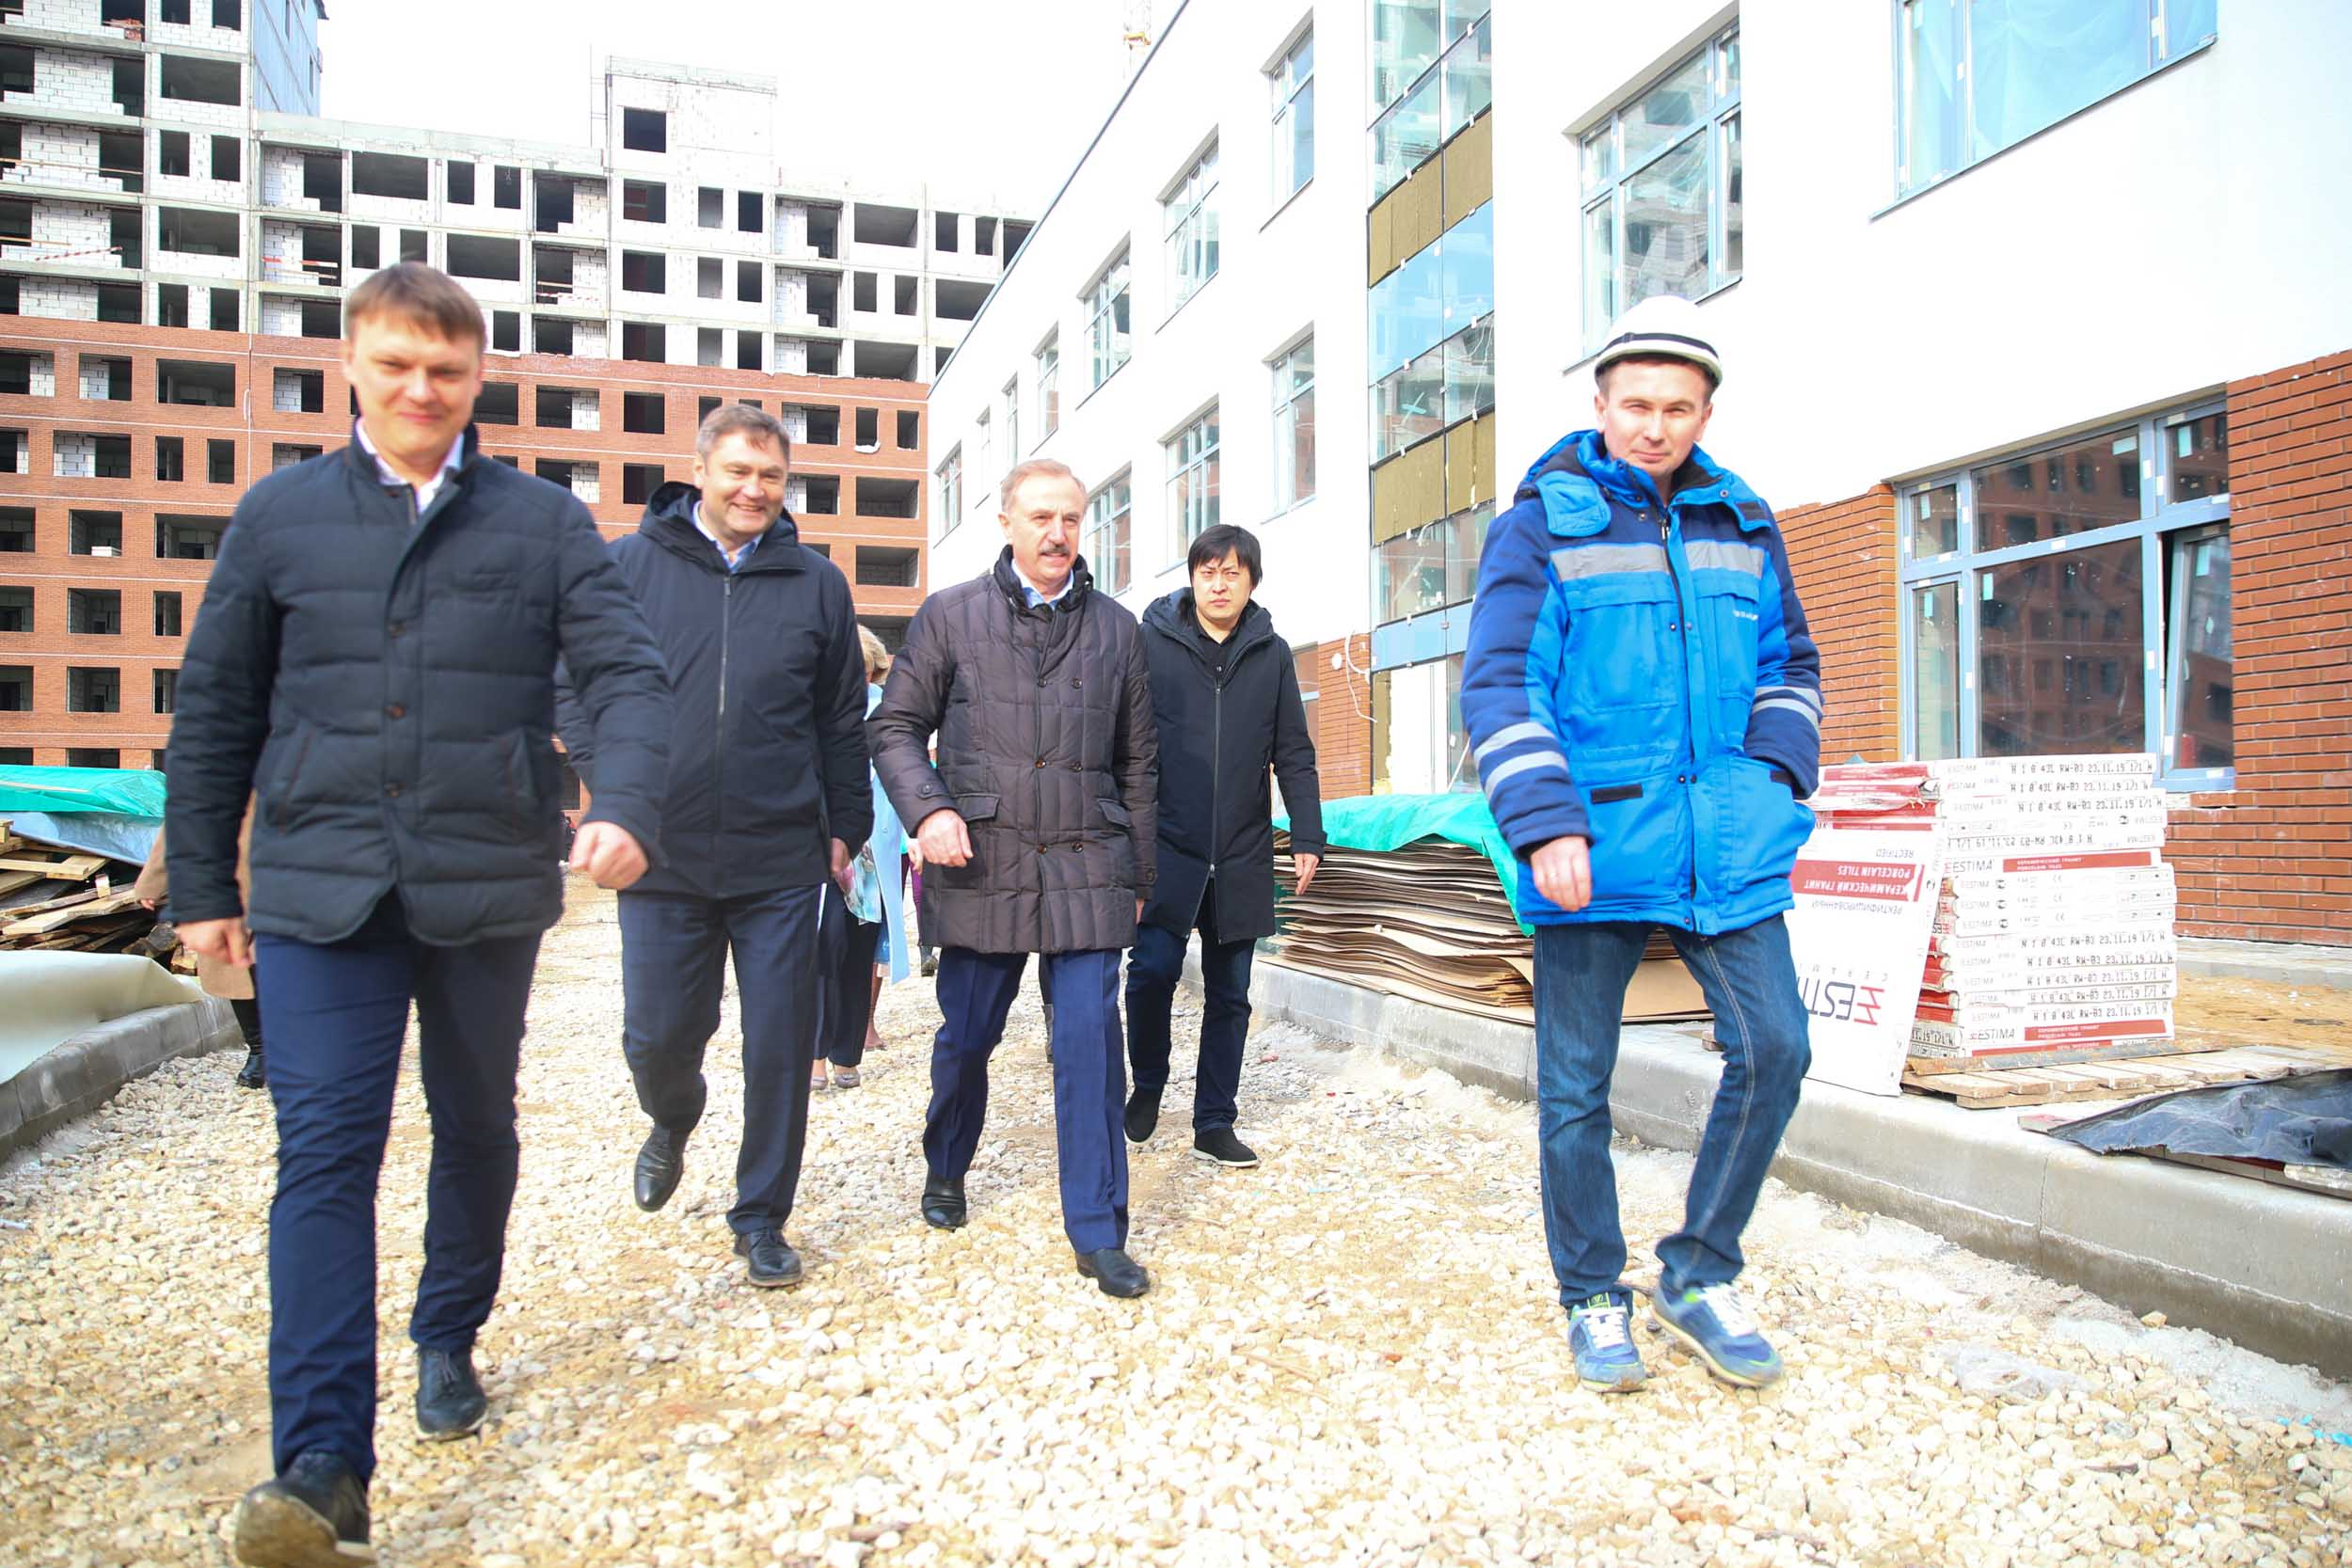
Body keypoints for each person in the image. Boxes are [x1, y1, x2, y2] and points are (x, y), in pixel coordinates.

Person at [165, 262, 671, 1567]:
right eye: (395, 364)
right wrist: (204, 886)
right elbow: (215, 706)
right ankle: (324, 1464)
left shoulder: (543, 524)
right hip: (319, 884)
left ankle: (448, 1329)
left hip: (484, 879)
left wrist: (623, 798)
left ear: (478, 376)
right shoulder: (278, 517)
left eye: (445, 369)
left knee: (476, 1119)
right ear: (351, 364)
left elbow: (625, 673)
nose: (420, 389)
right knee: (325, 1150)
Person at [1462, 294, 1822, 1395]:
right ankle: (1590, 1292)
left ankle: (1698, 1272)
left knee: (1777, 1048)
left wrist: (1773, 779)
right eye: (1635, 405)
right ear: (1600, 402)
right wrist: (1544, 819)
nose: (1654, 426)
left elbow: (1790, 666)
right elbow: (1502, 680)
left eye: (1676, 407)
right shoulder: (1543, 524)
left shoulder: (1742, 522)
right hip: (1595, 844)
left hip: (1725, 842)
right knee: (1576, 1087)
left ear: (1705, 411)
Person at [558, 404, 870, 1291]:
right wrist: (610, 784)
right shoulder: (628, 565)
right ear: (698, 471)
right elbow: (571, 683)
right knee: (658, 1034)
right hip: (662, 851)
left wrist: (845, 825)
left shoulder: (818, 583)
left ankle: (762, 1216)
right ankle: (673, 1114)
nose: (753, 489)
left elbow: (840, 717)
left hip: (780, 854)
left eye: (771, 475)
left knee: (779, 1045)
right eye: (737, 470)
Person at [868, 458, 1159, 1299]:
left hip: (1086, 861)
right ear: (1006, 522)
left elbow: (1140, 764)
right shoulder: (950, 615)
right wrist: (928, 810)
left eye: (1071, 518)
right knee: (967, 1037)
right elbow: (895, 727)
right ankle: (947, 1162)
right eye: (1041, 517)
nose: (1058, 534)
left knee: (1090, 1047)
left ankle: (1099, 1231)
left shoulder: (1117, 630)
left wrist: (1139, 872)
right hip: (981, 859)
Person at [1123, 523, 1324, 1168]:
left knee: (1231, 993)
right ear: (1192, 578)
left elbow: (1294, 750)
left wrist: (1308, 833)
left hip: (1240, 849)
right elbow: (1125, 742)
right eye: (1208, 572)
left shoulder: (1272, 654)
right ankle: (1148, 1080)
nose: (1219, 584)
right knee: (1150, 972)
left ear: (1251, 582)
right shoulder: (1151, 643)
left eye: (1232, 573)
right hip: (1168, 843)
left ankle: (1214, 1120)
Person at [814, 625, 910, 1092]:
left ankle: (847, 1053)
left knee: (857, 954)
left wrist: (916, 831)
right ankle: (814, 1055)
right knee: (821, 949)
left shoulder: (887, 715)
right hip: (815, 849)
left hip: (869, 852)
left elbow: (905, 774)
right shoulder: (809, 709)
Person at [135, 805, 265, 1089]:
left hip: (294, 871)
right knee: (237, 968)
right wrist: (152, 880)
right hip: (226, 880)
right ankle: (260, 1051)